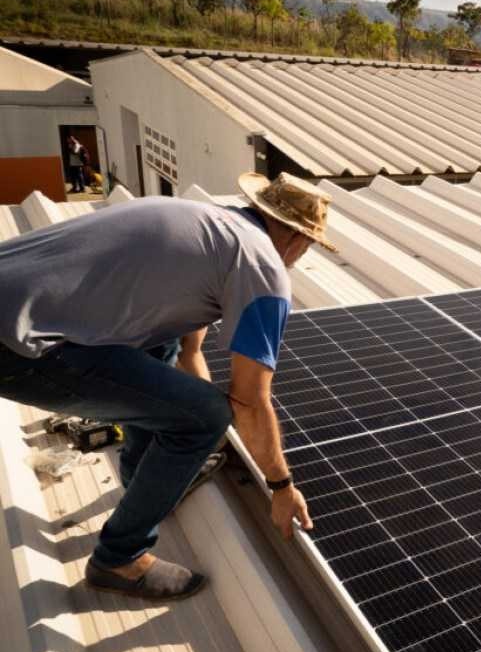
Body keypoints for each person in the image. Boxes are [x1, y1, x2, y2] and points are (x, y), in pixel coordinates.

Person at [0, 172, 336, 600]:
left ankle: (144, 480)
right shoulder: (262, 268)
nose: (300, 256)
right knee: (207, 415)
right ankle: (120, 557)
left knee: (163, 349)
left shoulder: (205, 224)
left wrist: (189, 441)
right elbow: (249, 400)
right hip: (14, 344)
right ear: (294, 238)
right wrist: (280, 485)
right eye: (306, 246)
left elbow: (186, 351)